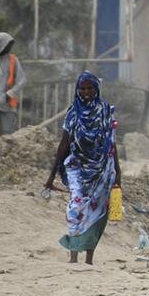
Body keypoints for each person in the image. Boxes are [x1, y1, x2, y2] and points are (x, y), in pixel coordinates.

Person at [46, 72, 121, 267]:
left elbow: (112, 143)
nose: (86, 93)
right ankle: (73, 256)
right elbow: (64, 144)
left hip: (102, 168)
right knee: (75, 208)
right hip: (77, 168)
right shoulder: (73, 113)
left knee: (96, 212)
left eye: (90, 88)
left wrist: (118, 173)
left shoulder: (106, 111)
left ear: (96, 90)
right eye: (82, 89)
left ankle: (89, 259)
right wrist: (51, 175)